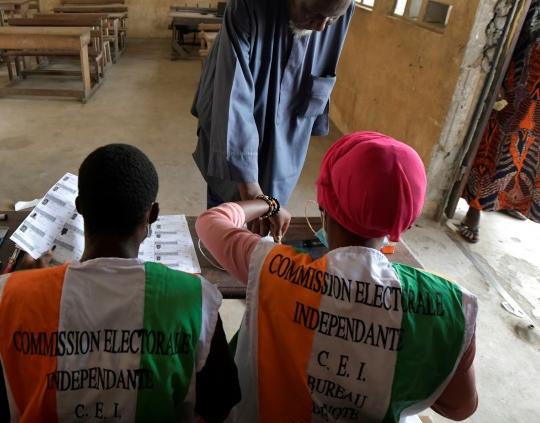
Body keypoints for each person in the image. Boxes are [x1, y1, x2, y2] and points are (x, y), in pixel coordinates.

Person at [196, 132, 478, 422]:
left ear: (323, 208)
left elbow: (211, 221)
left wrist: (271, 205)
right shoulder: (450, 304)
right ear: (404, 221)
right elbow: (460, 408)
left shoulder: (272, 267)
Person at [0, 144, 241, 422]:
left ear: (79, 207)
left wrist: (30, 286)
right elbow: (219, 405)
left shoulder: (12, 296)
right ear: (152, 215)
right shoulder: (195, 298)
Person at [191, 0, 367, 242]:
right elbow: (234, 94)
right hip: (232, 111)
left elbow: (323, 65)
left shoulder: (337, 8)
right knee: (229, 212)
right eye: (313, 12)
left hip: (289, 123)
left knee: (271, 204)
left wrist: (267, 200)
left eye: (331, 19)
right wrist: (252, 191)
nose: (320, 27)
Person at [459, 0, 540, 243]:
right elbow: (513, 35)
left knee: (529, 153)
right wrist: (498, 80)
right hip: (519, 86)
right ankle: (476, 208)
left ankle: (508, 201)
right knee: (499, 147)